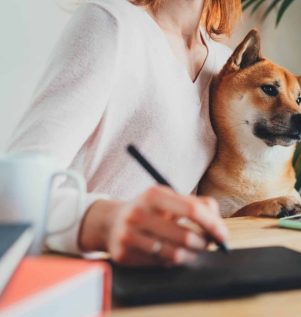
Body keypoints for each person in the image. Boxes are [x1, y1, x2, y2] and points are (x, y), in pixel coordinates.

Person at [8, 0, 242, 266]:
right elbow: (16, 189)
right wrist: (104, 222)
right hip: (87, 273)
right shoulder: (111, 22)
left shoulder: (226, 64)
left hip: (169, 273)